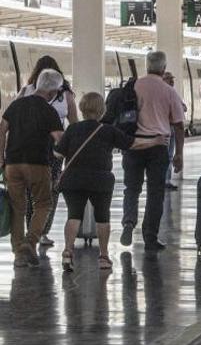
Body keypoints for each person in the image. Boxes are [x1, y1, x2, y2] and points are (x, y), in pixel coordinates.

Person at [54, 93, 167, 272]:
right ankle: (104, 256)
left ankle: (68, 252)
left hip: (74, 179)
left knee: (73, 215)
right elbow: (134, 144)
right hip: (100, 179)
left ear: (82, 109)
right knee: (102, 217)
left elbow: (58, 154)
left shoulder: (73, 129)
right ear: (101, 110)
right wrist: (156, 141)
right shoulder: (108, 130)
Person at [121, 51, 185, 251]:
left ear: (146, 66)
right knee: (155, 193)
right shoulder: (169, 91)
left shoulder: (134, 86)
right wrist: (179, 154)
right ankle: (150, 236)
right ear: (163, 68)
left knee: (132, 189)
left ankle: (129, 222)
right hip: (158, 147)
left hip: (133, 145)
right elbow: (179, 125)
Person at [0, 69, 65, 267]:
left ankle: (19, 254)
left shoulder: (16, 105)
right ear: (53, 92)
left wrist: (0, 158)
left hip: (13, 163)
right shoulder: (49, 110)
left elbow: (1, 129)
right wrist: (59, 155)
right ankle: (30, 242)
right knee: (43, 204)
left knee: (18, 208)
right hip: (38, 163)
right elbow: (59, 140)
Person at [16, 55, 78, 247]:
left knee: (30, 190)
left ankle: (31, 229)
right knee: (51, 189)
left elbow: (14, 113)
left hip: (27, 145)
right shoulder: (66, 95)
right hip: (54, 148)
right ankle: (42, 231)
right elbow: (74, 123)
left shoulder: (26, 91)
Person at [162, 71, 187, 191]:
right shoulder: (168, 93)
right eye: (168, 79)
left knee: (168, 155)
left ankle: (166, 180)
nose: (172, 81)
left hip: (170, 128)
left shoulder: (172, 92)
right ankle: (164, 180)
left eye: (172, 79)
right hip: (166, 128)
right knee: (166, 155)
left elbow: (183, 106)